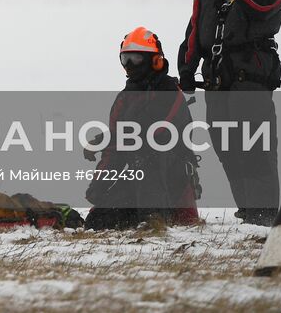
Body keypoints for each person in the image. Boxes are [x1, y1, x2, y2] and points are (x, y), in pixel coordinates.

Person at [176, 0, 281, 226]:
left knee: (254, 146)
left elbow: (261, 5)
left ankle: (265, 212)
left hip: (251, 75)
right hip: (216, 78)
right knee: (227, 147)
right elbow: (196, 25)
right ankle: (248, 210)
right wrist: (186, 68)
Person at [84, 26, 201, 229]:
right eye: (125, 59)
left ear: (155, 61)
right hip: (137, 181)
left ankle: (154, 219)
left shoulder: (170, 92)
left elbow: (152, 134)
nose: (129, 65)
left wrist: (106, 138)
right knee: (97, 221)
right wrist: (99, 186)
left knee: (145, 158)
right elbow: (115, 151)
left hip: (172, 181)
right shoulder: (124, 99)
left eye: (136, 59)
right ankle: (142, 217)